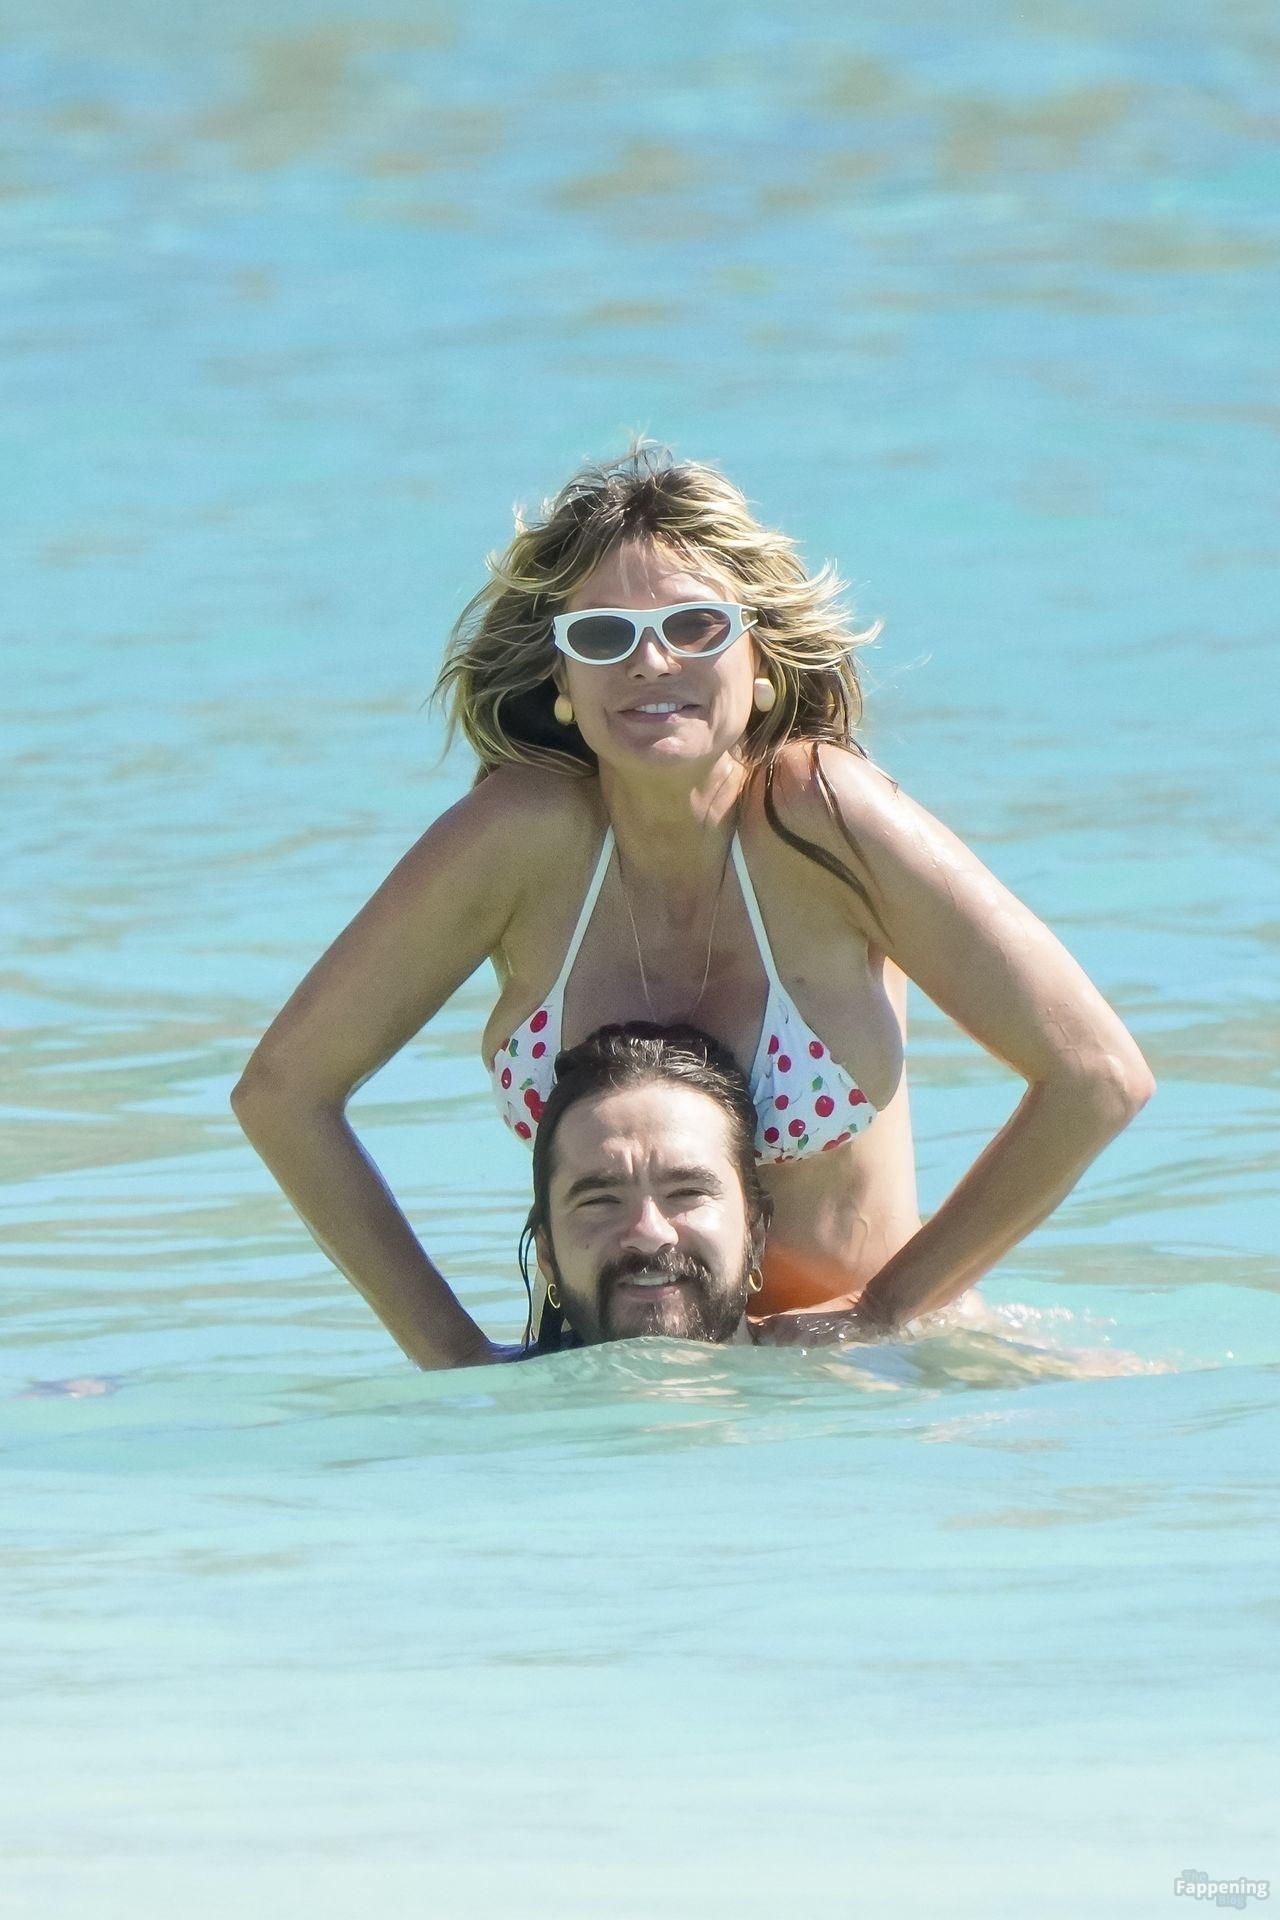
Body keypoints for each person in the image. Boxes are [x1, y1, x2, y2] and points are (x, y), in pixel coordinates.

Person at [230, 438, 1155, 1372]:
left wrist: (882, 1311)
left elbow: (1097, 1077)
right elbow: (283, 1095)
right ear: (562, 681)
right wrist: (457, 1359)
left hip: (855, 1383)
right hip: (611, 1380)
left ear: (761, 661)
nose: (651, 659)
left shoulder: (825, 818)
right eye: (603, 636)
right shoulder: (519, 838)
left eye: (696, 625)